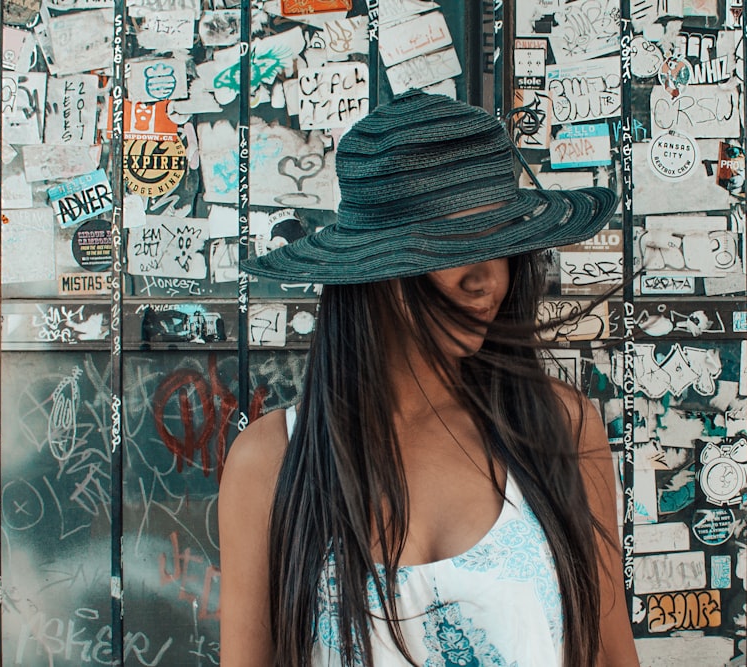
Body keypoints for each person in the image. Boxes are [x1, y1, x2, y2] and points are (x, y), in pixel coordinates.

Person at [220, 90, 639, 667]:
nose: (486, 279)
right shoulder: (272, 462)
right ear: (373, 270)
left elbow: (610, 657)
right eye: (450, 246)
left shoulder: (561, 430)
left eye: (501, 245)